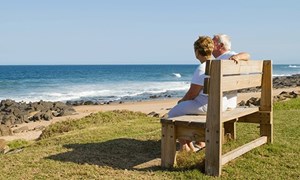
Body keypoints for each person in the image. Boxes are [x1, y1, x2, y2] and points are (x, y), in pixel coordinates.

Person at [212, 34, 250, 109]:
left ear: (221, 45)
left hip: (220, 105)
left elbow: (247, 55)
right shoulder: (223, 58)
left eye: (212, 43)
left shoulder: (228, 56)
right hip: (230, 104)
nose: (209, 45)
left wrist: (237, 57)